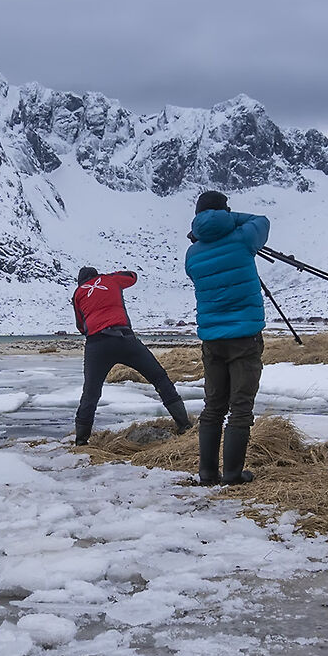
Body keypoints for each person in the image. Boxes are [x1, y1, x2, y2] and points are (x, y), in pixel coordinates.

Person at [182, 190, 269, 485]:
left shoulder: (192, 255)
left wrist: (202, 230)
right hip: (244, 336)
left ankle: (207, 473)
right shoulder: (243, 238)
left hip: (212, 339)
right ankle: (232, 473)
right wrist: (230, 220)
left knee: (214, 406)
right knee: (241, 406)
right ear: (225, 211)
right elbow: (262, 221)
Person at [69, 266, 192, 445]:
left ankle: (81, 442)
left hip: (97, 345)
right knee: (159, 378)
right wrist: (108, 278)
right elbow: (132, 277)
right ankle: (184, 425)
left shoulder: (78, 293)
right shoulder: (111, 280)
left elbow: (80, 326)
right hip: (124, 338)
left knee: (91, 393)